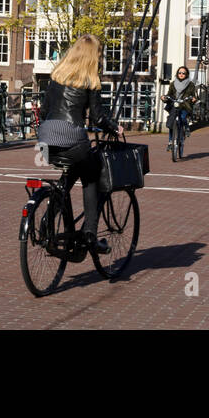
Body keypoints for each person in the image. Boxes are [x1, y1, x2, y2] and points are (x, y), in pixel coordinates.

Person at [38, 34, 123, 254]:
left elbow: (45, 110)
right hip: (72, 137)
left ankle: (47, 221)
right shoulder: (90, 80)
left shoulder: (57, 76)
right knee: (92, 176)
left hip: (46, 139)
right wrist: (114, 127)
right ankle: (90, 237)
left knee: (69, 174)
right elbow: (98, 118)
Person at [163, 66, 196, 150]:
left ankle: (186, 126)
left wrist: (193, 99)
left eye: (183, 73)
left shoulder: (191, 84)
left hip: (185, 105)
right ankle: (170, 142)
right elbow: (169, 94)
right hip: (175, 104)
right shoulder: (173, 83)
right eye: (179, 73)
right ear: (177, 74)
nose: (181, 74)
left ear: (186, 74)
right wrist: (164, 97)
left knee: (182, 117)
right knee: (171, 122)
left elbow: (194, 96)